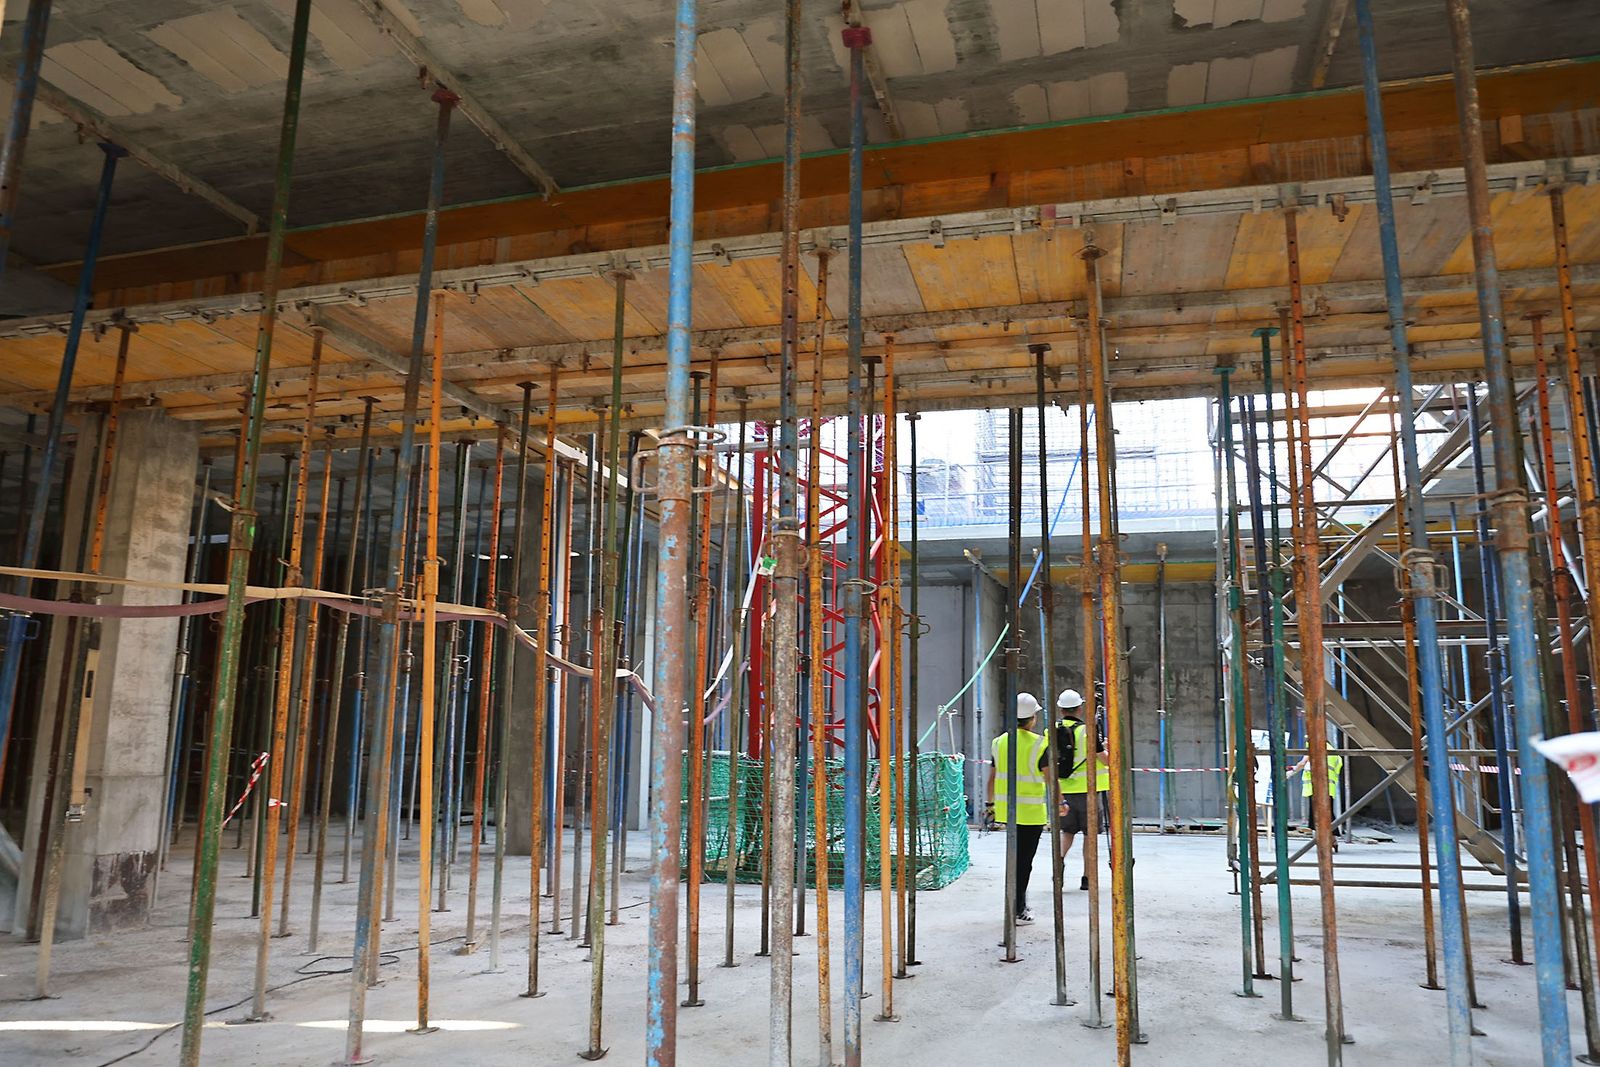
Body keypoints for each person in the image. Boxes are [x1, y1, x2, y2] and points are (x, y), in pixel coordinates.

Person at [985, 692, 1049, 924]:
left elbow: (992, 778)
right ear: (1032, 718)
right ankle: (1018, 906)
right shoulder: (1041, 743)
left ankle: (1017, 902)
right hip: (1031, 814)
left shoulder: (999, 741)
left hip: (1006, 811)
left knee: (1015, 859)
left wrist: (989, 805)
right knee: (1024, 862)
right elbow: (1050, 778)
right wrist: (1061, 802)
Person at [1053, 688, 1109, 891]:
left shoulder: (1051, 731)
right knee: (1089, 836)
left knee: (1066, 833)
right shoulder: (1088, 731)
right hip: (1089, 794)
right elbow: (1106, 760)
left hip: (1064, 792)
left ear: (1060, 709)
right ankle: (1087, 878)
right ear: (1079, 709)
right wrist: (1106, 748)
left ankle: (1058, 865)